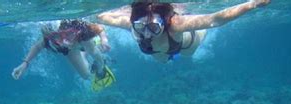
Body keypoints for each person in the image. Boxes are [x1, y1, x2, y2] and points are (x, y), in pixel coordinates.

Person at [97, 0, 270, 62]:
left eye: (154, 27)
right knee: (162, 61)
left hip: (185, 45)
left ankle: (196, 34)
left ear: (163, 23)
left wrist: (251, 4)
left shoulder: (176, 24)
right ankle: (170, 58)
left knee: (191, 51)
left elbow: (215, 19)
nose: (147, 33)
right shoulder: (130, 24)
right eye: (141, 26)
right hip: (157, 52)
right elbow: (103, 17)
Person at [12, 19, 116, 91]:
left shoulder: (82, 30)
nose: (64, 40)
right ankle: (83, 54)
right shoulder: (49, 39)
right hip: (71, 50)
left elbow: (100, 28)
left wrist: (104, 41)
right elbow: (37, 47)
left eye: (68, 33)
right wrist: (25, 63)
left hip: (81, 41)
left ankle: (92, 50)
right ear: (51, 36)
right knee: (86, 75)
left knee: (95, 53)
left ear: (74, 30)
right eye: (57, 36)